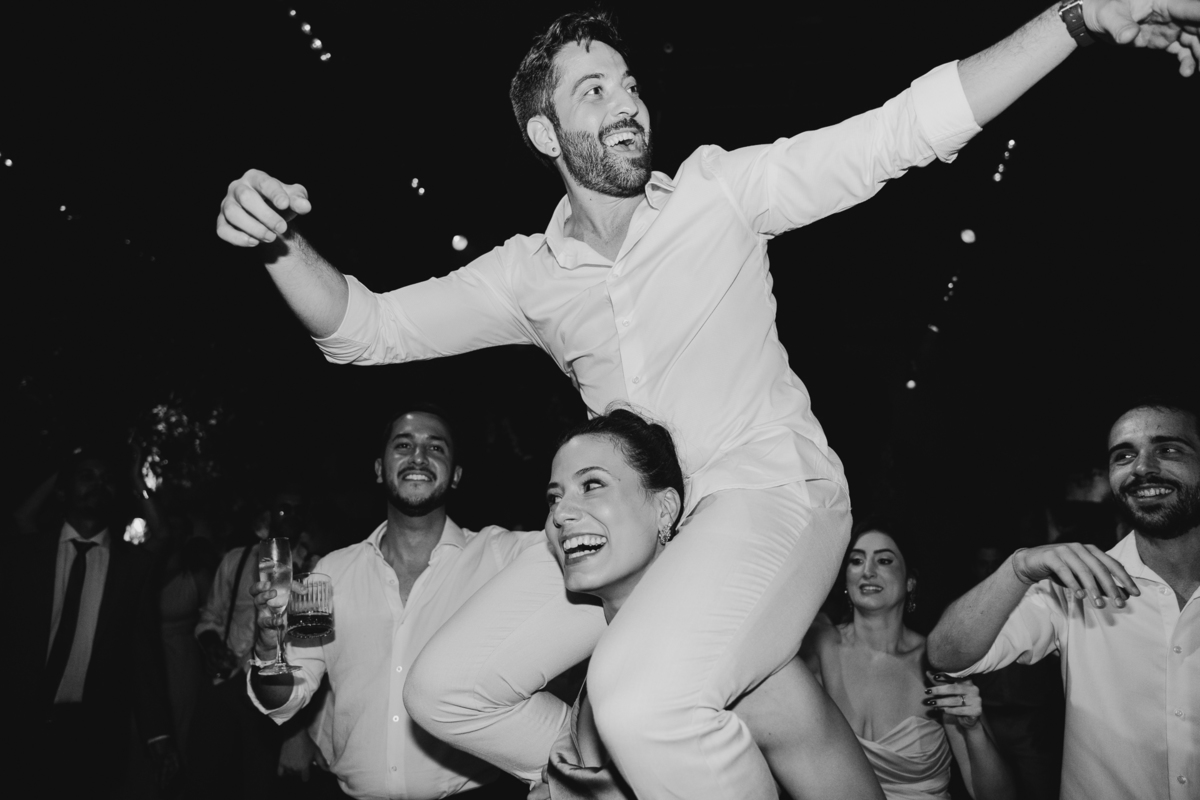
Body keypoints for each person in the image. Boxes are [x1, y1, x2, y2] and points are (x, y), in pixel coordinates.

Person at [215, 6, 1200, 797]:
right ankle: (620, 768)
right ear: (545, 132)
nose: (627, 102)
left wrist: (1076, 18)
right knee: (445, 686)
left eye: (629, 83)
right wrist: (277, 243)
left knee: (642, 697)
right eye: (593, 90)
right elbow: (363, 329)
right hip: (647, 532)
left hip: (770, 493)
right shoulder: (525, 275)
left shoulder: (719, 193)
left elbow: (899, 131)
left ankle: (658, 735)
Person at [534, 407, 882, 800]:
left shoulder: (751, 683)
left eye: (592, 485)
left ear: (665, 509)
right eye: (554, 497)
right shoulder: (607, 663)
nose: (560, 514)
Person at [246, 406, 544, 799]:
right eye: (403, 445)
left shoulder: (500, 558)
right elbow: (284, 701)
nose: (418, 457)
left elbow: (584, 546)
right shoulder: (332, 572)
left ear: (455, 475)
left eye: (435, 448)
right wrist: (268, 647)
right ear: (378, 469)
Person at [927, 398, 1200, 800]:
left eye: (1169, 449)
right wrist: (1019, 567)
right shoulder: (1071, 588)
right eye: (1124, 455)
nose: (1142, 467)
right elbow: (946, 655)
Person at [802, 519, 1016, 800]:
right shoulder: (821, 645)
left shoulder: (935, 662)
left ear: (909, 582)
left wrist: (973, 729)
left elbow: (998, 796)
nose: (867, 571)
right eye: (856, 561)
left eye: (884, 560)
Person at [12, 444, 178, 797]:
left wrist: (157, 733)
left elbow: (144, 657)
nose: (98, 485)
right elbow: (19, 517)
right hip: (20, 720)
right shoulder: (31, 553)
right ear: (62, 490)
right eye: (86, 477)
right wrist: (62, 468)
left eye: (107, 479)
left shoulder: (131, 567)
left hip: (94, 732)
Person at [187, 485, 320, 798]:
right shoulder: (237, 559)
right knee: (209, 779)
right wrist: (213, 647)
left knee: (260, 783)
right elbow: (210, 617)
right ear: (268, 515)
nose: (291, 515)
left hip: (277, 692)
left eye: (298, 510)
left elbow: (319, 647)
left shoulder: (316, 568)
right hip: (228, 681)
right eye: (283, 508)